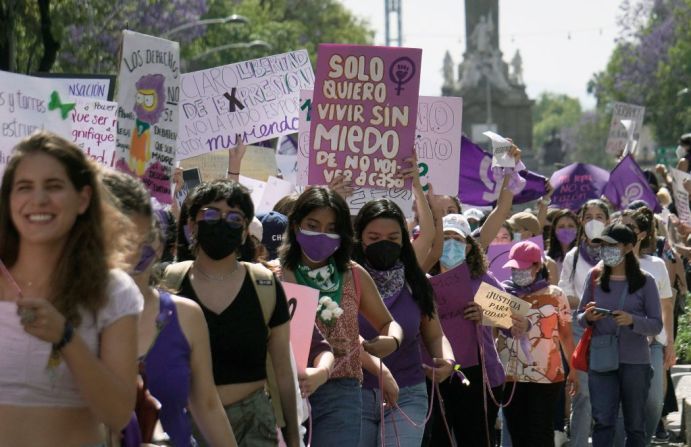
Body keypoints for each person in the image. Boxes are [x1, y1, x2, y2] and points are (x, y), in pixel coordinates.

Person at [0, 131, 142, 447]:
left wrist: (66, 338)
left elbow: (118, 414)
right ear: (9, 201)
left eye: (54, 186)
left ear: (83, 199)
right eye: (24, 187)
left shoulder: (113, 291)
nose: (38, 200)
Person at [101, 171, 237, 447]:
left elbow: (208, 405)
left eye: (147, 233)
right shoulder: (76, 317)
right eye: (123, 230)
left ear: (161, 242)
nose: (136, 243)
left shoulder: (186, 316)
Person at [164, 179, 300, 447]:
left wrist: (294, 439)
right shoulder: (169, 284)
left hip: (255, 425)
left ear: (243, 232)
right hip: (186, 423)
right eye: (211, 214)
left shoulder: (264, 285)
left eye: (234, 217)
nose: (222, 222)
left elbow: (283, 370)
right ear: (191, 225)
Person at [275, 186, 403, 446]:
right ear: (296, 225)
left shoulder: (353, 274)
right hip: (283, 388)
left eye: (331, 228)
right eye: (312, 224)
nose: (322, 234)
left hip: (341, 391)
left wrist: (392, 340)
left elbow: (389, 323)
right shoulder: (270, 275)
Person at [354, 198, 455, 446]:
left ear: (404, 240)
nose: (384, 244)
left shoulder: (417, 283)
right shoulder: (345, 280)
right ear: (359, 239)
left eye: (392, 237)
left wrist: (447, 360)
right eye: (374, 238)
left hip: (408, 394)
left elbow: (434, 335)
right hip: (353, 394)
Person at [425, 214, 529, 447]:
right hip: (435, 374)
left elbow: (518, 324)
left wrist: (488, 314)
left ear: (470, 247)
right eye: (446, 238)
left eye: (458, 239)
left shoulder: (481, 280)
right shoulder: (424, 281)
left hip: (479, 375)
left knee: (476, 438)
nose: (451, 244)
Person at [578, 224, 662, 447]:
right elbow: (578, 316)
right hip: (602, 360)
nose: (606, 250)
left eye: (611, 245)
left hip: (636, 362)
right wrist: (588, 317)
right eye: (603, 245)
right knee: (603, 421)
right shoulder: (594, 276)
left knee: (635, 425)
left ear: (627, 247)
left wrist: (632, 320)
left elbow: (656, 325)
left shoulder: (646, 281)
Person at [498, 241, 578, 446]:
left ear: (537, 266)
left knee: (541, 432)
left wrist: (574, 369)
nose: (517, 272)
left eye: (523, 267)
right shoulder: (502, 293)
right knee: (518, 433)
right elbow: (490, 334)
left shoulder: (556, 295)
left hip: (547, 376)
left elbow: (566, 335)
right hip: (511, 374)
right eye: (514, 267)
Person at [558, 199, 611, 447]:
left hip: (611, 329)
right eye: (588, 216)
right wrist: (588, 306)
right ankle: (579, 442)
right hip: (581, 326)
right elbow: (564, 293)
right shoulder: (574, 256)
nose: (594, 221)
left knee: (609, 390)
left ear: (608, 221)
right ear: (582, 221)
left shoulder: (616, 254)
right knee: (583, 392)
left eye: (599, 216)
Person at [619, 207, 674, 445]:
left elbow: (667, 306)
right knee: (622, 404)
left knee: (654, 401)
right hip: (619, 344)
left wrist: (669, 343)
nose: (623, 232)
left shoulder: (657, 265)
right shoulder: (609, 264)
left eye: (629, 228)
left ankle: (643, 439)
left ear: (641, 234)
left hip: (652, 344)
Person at [546, 210, 580, 284]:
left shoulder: (584, 256)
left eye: (571, 226)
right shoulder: (547, 258)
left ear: (578, 229)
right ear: (554, 230)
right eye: (561, 227)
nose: (566, 230)